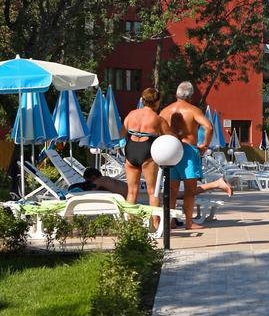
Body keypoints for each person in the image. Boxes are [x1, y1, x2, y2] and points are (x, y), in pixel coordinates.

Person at [160, 82, 212, 229]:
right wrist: (205, 145)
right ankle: (189, 222)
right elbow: (208, 127)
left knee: (171, 190)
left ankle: (170, 222)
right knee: (190, 189)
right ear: (190, 96)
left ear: (176, 94)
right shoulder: (193, 110)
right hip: (188, 151)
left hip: (170, 151)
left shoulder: (164, 111)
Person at [121, 88, 172, 212]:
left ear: (143, 100)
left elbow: (121, 133)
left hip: (131, 150)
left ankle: (131, 222)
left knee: (131, 191)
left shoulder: (131, 114)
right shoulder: (158, 119)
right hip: (147, 150)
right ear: (157, 101)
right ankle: (155, 222)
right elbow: (171, 138)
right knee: (152, 191)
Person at [72, 167, 233, 200]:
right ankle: (216, 184)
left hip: (144, 193)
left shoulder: (100, 182)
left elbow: (79, 189)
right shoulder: (106, 180)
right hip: (143, 188)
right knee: (180, 194)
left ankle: (216, 184)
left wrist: (74, 187)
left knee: (181, 195)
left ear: (92, 178)